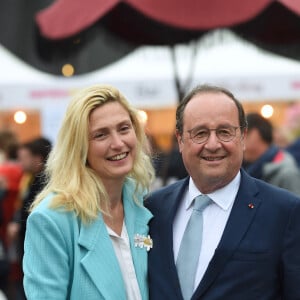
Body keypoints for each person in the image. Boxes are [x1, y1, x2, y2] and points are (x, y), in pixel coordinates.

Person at [145, 84, 300, 300]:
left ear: (243, 137)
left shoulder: (285, 212)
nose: (213, 144)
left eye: (224, 132)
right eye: (200, 133)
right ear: (180, 140)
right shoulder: (153, 209)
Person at [23, 84, 155, 300]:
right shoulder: (51, 220)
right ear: (79, 147)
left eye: (124, 128)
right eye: (101, 135)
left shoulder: (141, 201)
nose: (118, 143)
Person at [243, 112, 300, 196]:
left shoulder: (287, 173)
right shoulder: (247, 169)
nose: (239, 143)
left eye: (243, 136)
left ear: (255, 134)